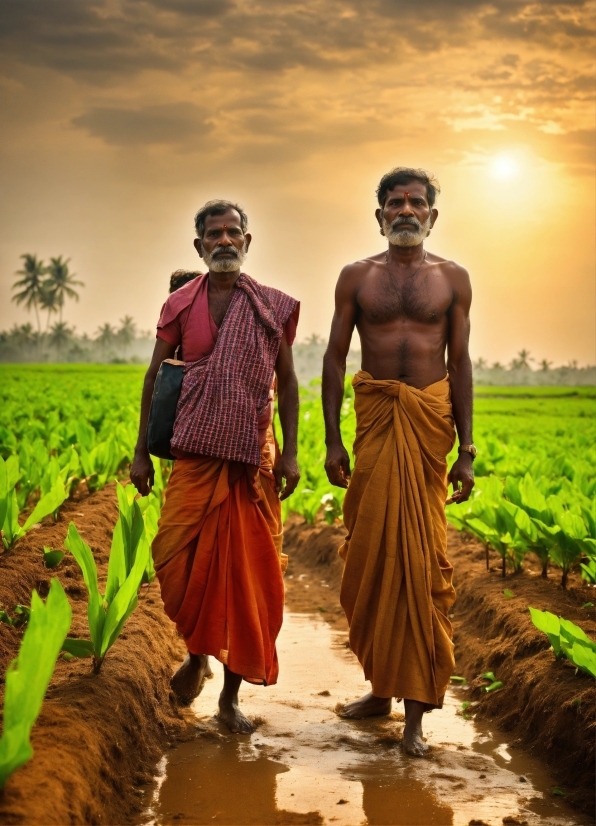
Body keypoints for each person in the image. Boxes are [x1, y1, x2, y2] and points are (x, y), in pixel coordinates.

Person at [131, 200, 300, 734]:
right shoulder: (180, 305)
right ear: (199, 245)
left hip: (252, 462)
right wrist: (140, 451)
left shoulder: (271, 308)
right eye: (213, 234)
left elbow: (288, 382)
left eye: (233, 233)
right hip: (195, 458)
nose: (224, 241)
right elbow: (155, 378)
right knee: (176, 564)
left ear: (248, 242)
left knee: (245, 579)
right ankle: (197, 654)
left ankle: (229, 699)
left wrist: (292, 450)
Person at [322, 167, 475, 756]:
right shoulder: (357, 277)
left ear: (433, 215)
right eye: (395, 202)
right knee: (373, 554)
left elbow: (459, 363)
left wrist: (467, 448)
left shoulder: (453, 279)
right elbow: (336, 356)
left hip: (428, 425)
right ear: (379, 214)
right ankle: (381, 693)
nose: (405, 210)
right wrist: (332, 440)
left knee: (419, 561)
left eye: (416, 202)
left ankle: (414, 714)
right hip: (377, 425)